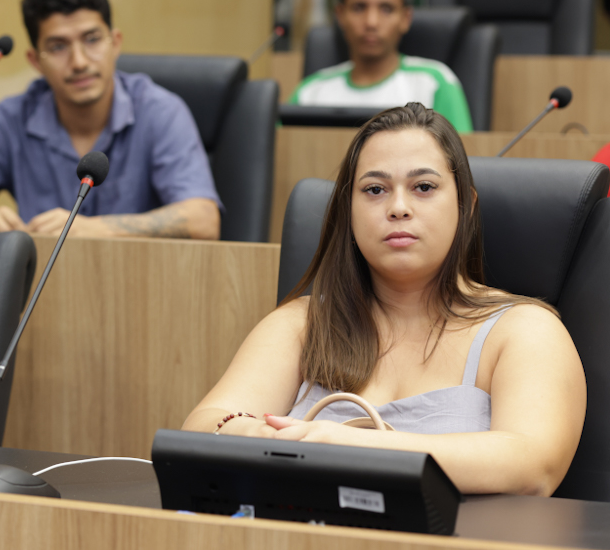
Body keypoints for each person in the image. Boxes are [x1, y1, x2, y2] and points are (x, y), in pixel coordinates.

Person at [183, 103, 585, 496]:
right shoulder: (301, 324)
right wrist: (255, 433)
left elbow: (535, 466)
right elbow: (201, 428)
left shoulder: (524, 330)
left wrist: (349, 447)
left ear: (466, 206)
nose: (397, 208)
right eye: (374, 190)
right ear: (349, 212)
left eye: (423, 187)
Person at [0, 0, 222, 240]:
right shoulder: (12, 118)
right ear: (35, 61)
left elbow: (203, 220)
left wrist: (95, 228)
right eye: (58, 47)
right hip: (43, 289)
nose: (79, 62)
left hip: (141, 284)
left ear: (115, 43)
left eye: (92, 40)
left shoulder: (160, 111)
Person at [290, 0, 473, 133]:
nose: (371, 22)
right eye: (359, 7)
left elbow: (460, 160)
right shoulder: (310, 92)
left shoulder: (436, 83)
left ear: (405, 18)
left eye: (386, 9)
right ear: (340, 16)